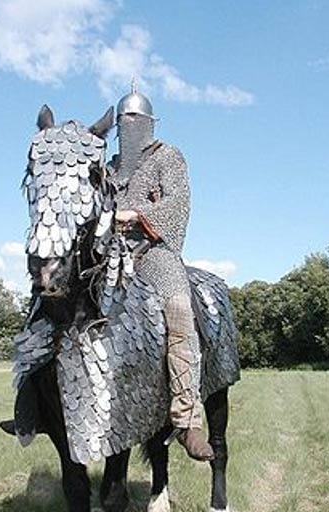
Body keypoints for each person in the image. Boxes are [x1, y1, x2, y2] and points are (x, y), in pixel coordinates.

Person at [111, 83, 214, 462]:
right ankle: (37, 406)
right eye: (124, 119)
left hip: (153, 253)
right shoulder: (109, 169)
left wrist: (136, 214)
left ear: (149, 124)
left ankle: (187, 419)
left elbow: (178, 203)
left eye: (135, 119)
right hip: (112, 255)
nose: (129, 124)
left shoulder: (168, 157)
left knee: (179, 311)